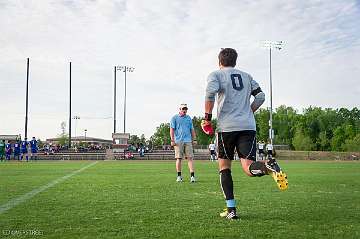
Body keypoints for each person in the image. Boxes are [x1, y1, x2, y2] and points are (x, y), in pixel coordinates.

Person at [201, 48, 288, 220]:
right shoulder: (247, 76)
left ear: (220, 62)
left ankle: (231, 210)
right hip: (248, 126)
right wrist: (249, 111)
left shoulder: (216, 75)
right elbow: (261, 96)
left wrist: (207, 118)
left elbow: (210, 94)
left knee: (224, 168)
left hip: (226, 127)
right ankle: (267, 166)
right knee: (249, 168)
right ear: (235, 61)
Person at [170, 103, 197, 183]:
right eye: (183, 109)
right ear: (180, 109)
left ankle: (192, 176)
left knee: (190, 158)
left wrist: (194, 139)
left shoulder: (188, 118)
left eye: (186, 109)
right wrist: (172, 140)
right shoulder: (174, 118)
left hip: (188, 140)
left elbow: (192, 129)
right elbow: (172, 130)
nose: (185, 110)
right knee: (179, 158)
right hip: (178, 141)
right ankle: (179, 176)